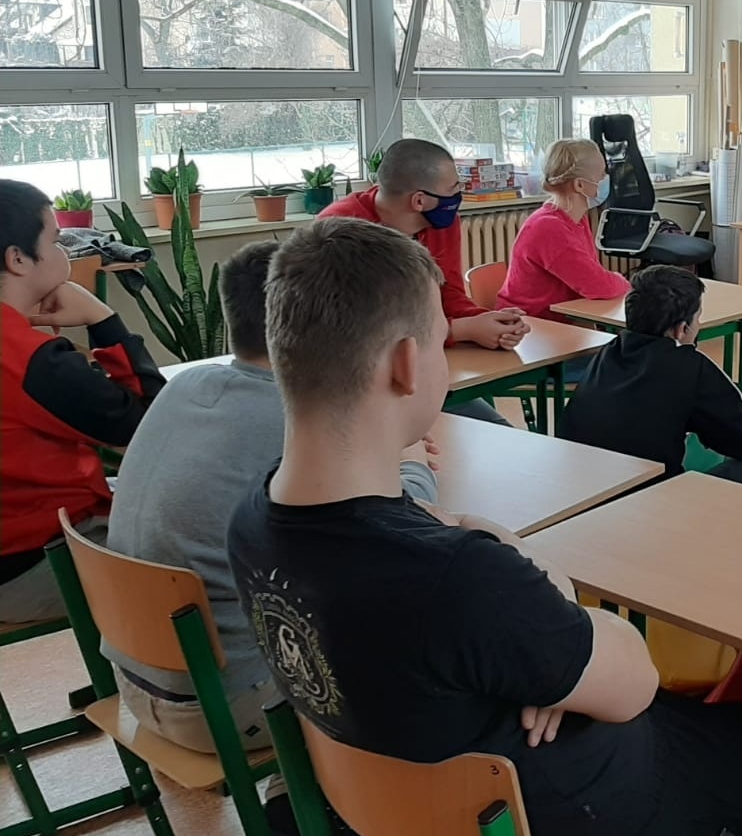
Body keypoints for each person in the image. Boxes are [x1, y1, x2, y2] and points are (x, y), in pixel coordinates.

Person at [228, 218, 742, 836]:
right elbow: (632, 679)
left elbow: (441, 604)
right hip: (578, 831)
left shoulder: (256, 522)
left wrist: (529, 623)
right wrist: (536, 587)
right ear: (404, 362)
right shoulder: (460, 577)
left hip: (456, 810)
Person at [106, 241, 439, 753]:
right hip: (230, 705)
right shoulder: (292, 420)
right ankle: (337, 807)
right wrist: (409, 459)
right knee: (429, 639)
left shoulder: (187, 384)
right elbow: (402, 524)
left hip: (137, 682)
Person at [0, 181, 164, 622]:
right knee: (209, 547)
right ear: (17, 259)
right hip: (32, 561)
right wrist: (102, 318)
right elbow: (151, 428)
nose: (66, 252)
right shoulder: (29, 362)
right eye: (55, 241)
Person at [319, 138, 529, 425]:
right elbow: (356, 332)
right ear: (419, 200)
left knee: (501, 432)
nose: (459, 196)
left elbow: (450, 293)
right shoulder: (339, 232)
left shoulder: (440, 222)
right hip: (357, 387)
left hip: (425, 368)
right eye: (454, 189)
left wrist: (491, 322)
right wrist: (460, 330)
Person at [560, 265, 742, 488]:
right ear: (682, 329)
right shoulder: (690, 367)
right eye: (698, 318)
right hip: (650, 501)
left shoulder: (607, 353)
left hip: (577, 492)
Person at [499, 139, 629, 323]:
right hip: (530, 326)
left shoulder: (576, 219)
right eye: (602, 176)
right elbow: (598, 285)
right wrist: (623, 281)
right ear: (579, 185)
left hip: (557, 321)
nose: (606, 180)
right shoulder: (549, 228)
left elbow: (592, 277)